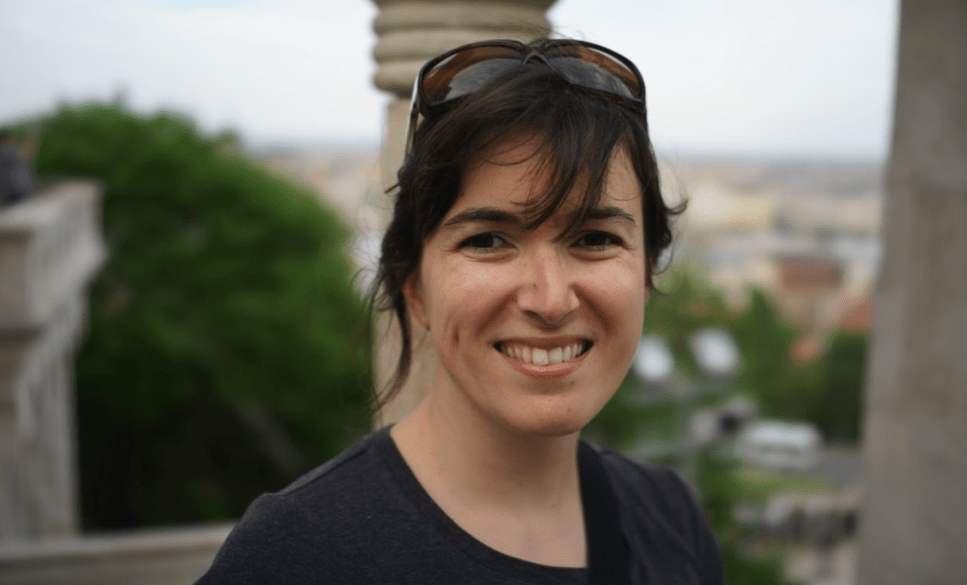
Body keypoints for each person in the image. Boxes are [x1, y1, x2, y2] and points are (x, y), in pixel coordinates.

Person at [196, 38, 724, 585]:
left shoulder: (668, 518)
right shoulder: (296, 556)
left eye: (594, 238)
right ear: (414, 286)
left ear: (645, 273)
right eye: (488, 240)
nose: (549, 300)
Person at [0, 128, 35, 208]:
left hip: (14, 192)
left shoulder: (5, 151)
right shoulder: (5, 150)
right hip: (17, 192)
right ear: (6, 139)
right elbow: (24, 155)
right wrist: (30, 140)